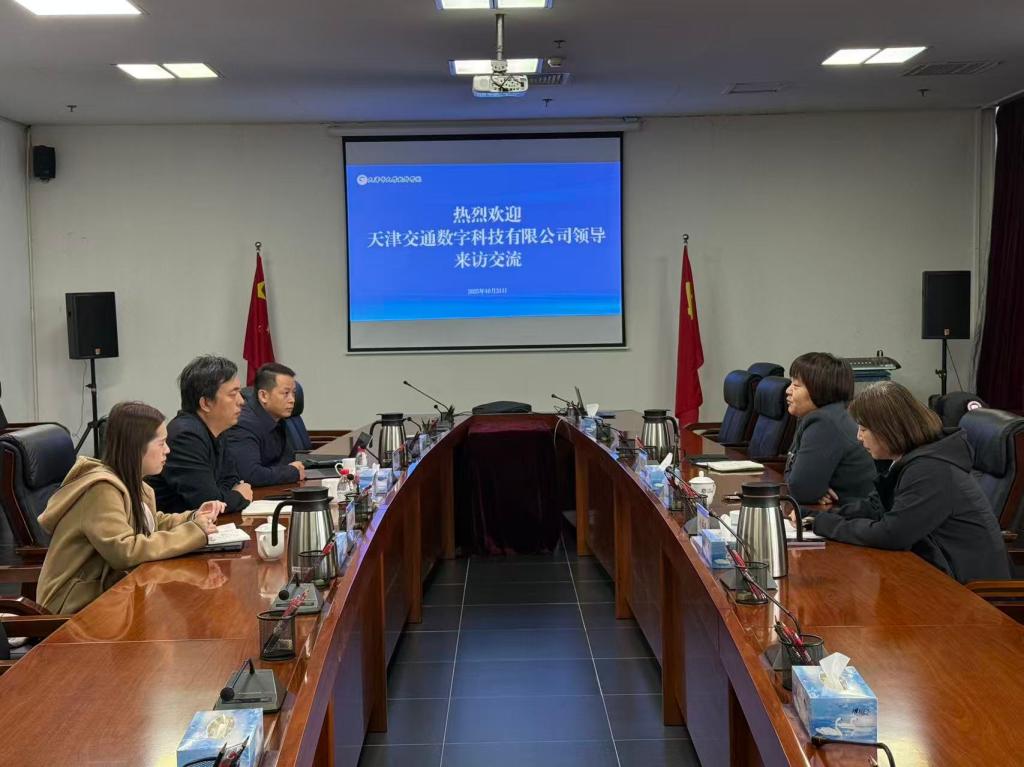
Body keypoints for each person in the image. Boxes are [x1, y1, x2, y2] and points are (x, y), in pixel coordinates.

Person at [810, 382, 1011, 583]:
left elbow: (891, 534)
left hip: (970, 591)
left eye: (864, 429)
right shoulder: (911, 458)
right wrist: (812, 518)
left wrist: (826, 524)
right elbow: (875, 507)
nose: (859, 437)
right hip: (936, 573)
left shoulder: (930, 469)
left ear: (888, 430)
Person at [36, 402, 222, 615]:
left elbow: (151, 523)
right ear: (136, 447)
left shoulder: (132, 482)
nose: (168, 450)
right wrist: (193, 533)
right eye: (161, 443)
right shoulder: (101, 489)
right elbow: (124, 551)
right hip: (75, 608)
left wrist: (194, 517)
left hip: (110, 595)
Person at [150, 355, 252, 513]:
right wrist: (238, 496)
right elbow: (208, 502)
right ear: (206, 403)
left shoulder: (218, 429)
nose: (242, 401)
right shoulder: (186, 436)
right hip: (174, 525)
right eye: (233, 394)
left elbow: (232, 479)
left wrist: (227, 494)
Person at [784, 352, 877, 505]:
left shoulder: (825, 423)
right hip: (838, 510)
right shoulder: (823, 415)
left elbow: (800, 490)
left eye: (796, 385)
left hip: (849, 513)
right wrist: (811, 488)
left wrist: (808, 488)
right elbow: (791, 471)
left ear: (819, 390)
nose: (788, 390)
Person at [225, 362, 307, 487]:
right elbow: (250, 475)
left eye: (293, 393)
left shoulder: (278, 417)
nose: (292, 400)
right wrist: (292, 472)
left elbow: (286, 460)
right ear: (263, 396)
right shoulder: (242, 424)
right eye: (286, 393)